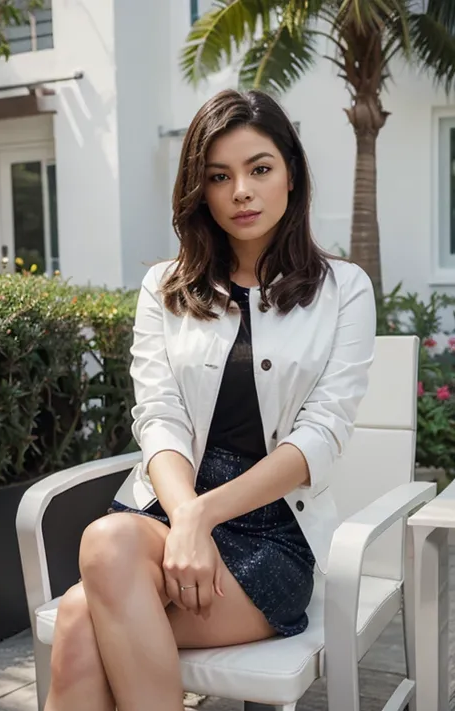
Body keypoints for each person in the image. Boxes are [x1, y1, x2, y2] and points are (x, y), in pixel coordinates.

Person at [45, 89, 376, 711]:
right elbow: (159, 417)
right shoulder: (163, 288)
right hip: (167, 509)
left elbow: (322, 436)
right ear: (199, 190)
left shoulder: (344, 290)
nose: (241, 191)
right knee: (109, 541)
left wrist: (203, 517)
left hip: (274, 530)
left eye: (259, 169)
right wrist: (186, 515)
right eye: (219, 177)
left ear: (291, 174)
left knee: (79, 619)